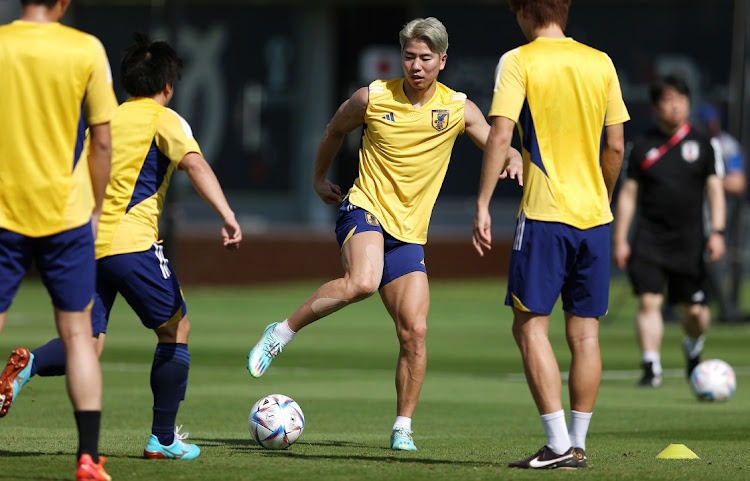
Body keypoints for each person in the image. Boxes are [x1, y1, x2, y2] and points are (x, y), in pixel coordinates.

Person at [246, 17, 522, 451]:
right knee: (363, 282)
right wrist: (319, 179)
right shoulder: (371, 97)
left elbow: (496, 143)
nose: (415, 66)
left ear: (442, 61)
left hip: (409, 233)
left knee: (414, 331)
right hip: (364, 209)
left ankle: (402, 428)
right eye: (409, 56)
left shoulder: (457, 109)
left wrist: (515, 159)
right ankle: (281, 332)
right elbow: (334, 130)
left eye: (425, 58)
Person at [0, 32, 242, 461]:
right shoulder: (165, 119)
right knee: (176, 329)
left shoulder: (105, 118)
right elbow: (194, 163)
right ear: (168, 86)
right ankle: (162, 439)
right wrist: (226, 214)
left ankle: (28, 367)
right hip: (131, 243)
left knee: (87, 344)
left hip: (85, 242)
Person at [473, 0, 629, 470]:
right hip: (595, 218)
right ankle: (577, 444)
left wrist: (482, 203)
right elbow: (616, 145)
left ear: (523, 10)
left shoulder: (518, 59)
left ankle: (558, 444)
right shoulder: (600, 61)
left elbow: (500, 135)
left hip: (544, 214)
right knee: (585, 335)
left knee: (529, 325)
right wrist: (601, 197)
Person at [0, 1, 117, 479]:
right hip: (66, 213)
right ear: (63, 2)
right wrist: (95, 208)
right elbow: (103, 141)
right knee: (78, 335)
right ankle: (88, 458)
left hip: (4, 206)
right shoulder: (86, 48)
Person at [614, 75, 725, 389]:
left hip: (689, 241)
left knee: (694, 312)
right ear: (655, 107)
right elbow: (628, 195)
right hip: (649, 238)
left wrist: (717, 231)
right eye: (668, 100)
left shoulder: (705, 145)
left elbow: (715, 190)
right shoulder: (642, 146)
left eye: (681, 100)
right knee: (648, 301)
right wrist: (621, 238)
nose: (675, 107)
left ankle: (693, 344)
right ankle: (651, 366)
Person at [698, 103, 745, 323]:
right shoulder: (695, 144)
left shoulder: (727, 146)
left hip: (724, 211)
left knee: (719, 260)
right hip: (695, 210)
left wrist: (710, 181)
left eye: (712, 121)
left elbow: (738, 183)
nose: (709, 125)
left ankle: (728, 308)